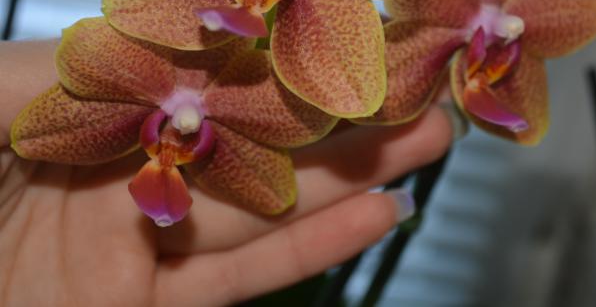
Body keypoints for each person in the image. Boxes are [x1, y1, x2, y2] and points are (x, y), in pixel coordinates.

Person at [0, 39, 454, 305]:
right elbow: (41, 130)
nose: (178, 133)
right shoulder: (102, 96)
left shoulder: (239, 151)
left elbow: (271, 187)